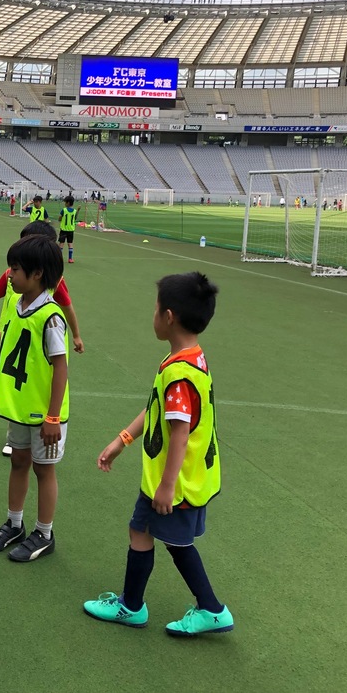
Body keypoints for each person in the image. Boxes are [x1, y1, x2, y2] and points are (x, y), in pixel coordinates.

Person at [84, 272, 233, 637]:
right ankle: (134, 605)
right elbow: (157, 411)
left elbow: (180, 434)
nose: (152, 316)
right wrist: (122, 440)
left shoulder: (179, 374)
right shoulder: (189, 359)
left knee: (176, 543)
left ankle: (211, 610)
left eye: (155, 309)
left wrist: (167, 487)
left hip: (176, 482)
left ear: (168, 317)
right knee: (142, 530)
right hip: (181, 478)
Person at [0, 236, 68, 562]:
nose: (9, 274)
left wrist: (53, 417)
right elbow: (13, 338)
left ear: (37, 273)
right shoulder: (18, 306)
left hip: (44, 413)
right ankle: (14, 524)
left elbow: (60, 367)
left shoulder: (51, 316)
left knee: (44, 470)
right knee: (18, 462)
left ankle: (44, 533)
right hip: (21, 407)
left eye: (15, 269)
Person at [58, 195, 78, 263]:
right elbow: (75, 218)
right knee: (70, 244)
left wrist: (60, 219)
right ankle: (70, 258)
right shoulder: (74, 211)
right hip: (71, 230)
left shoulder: (64, 210)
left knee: (61, 243)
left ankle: (59, 258)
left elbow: (59, 218)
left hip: (64, 229)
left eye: (65, 202)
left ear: (68, 203)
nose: (64, 203)